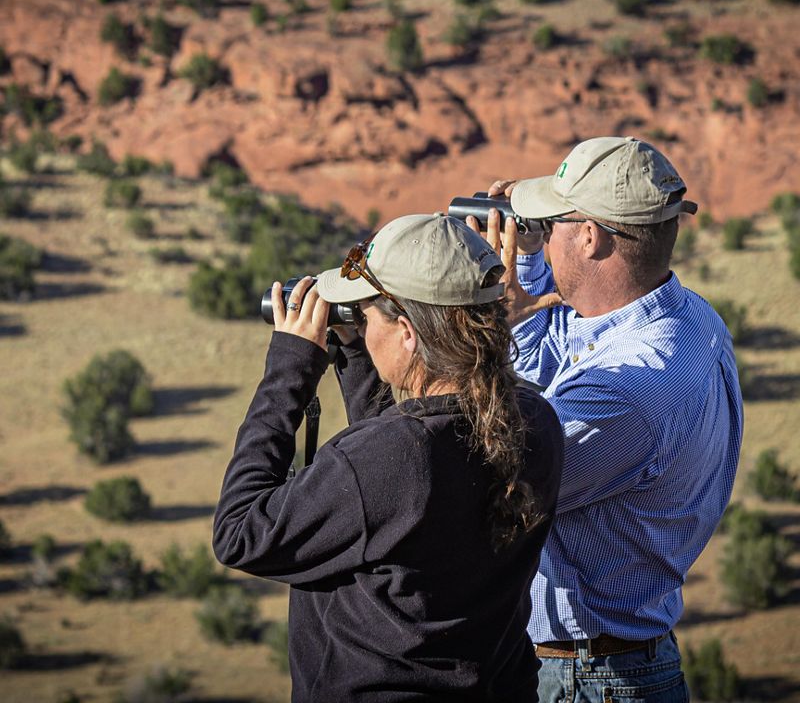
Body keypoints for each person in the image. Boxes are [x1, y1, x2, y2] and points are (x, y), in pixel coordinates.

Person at [212, 213, 564, 702]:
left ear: (407, 332)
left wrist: (288, 372)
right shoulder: (535, 421)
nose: (360, 324)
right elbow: (394, 481)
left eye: (366, 315)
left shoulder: (388, 461)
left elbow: (238, 534)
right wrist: (358, 352)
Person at [474, 136, 743, 703]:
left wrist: (484, 336)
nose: (542, 234)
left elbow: (497, 474)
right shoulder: (681, 317)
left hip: (587, 682)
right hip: (605, 668)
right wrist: (528, 262)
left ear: (591, 237)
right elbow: (562, 350)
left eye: (553, 224)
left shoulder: (629, 390)